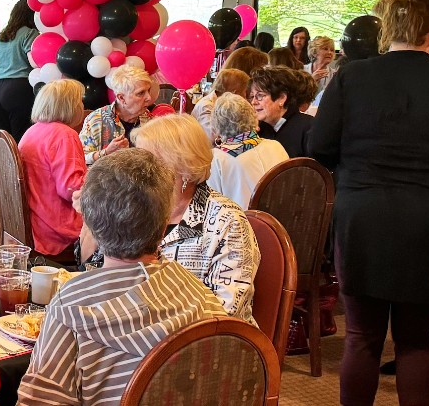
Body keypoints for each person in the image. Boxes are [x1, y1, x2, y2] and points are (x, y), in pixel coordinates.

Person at [309, 0, 429, 405]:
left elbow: (318, 145)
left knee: (361, 338)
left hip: (362, 213)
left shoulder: (352, 75)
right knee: (415, 342)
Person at [18, 149, 228, 404]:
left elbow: (38, 400)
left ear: (91, 226)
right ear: (164, 225)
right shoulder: (201, 298)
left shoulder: (70, 306)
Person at [78, 114, 259, 322]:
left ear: (185, 167)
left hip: (203, 345)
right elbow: (91, 274)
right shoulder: (134, 205)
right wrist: (92, 215)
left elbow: (226, 313)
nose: (138, 170)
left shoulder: (227, 222)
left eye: (150, 161)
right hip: (128, 332)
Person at [18, 79, 87, 256]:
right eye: (79, 101)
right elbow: (71, 189)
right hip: (57, 226)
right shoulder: (64, 135)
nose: (82, 105)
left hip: (34, 221)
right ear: (70, 106)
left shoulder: (32, 131)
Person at [208, 93, 289, 209]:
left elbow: (211, 207)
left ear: (216, 125)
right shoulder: (276, 146)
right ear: (253, 118)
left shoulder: (216, 159)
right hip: (281, 222)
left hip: (242, 224)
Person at [80, 65, 155, 165]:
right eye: (141, 93)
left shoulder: (150, 120)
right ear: (121, 98)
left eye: (148, 90)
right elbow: (81, 158)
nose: (149, 98)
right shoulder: (96, 120)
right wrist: (106, 153)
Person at [0, 0, 40, 142]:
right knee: (21, 137)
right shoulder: (30, 33)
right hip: (18, 87)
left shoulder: (3, 35)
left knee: (6, 138)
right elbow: (34, 62)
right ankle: (20, 165)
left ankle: (3, 164)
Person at [251, 66, 314, 158]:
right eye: (252, 96)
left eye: (260, 95)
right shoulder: (257, 128)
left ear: (282, 98)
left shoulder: (309, 128)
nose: (253, 102)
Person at [192, 68, 251, 141]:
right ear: (235, 94)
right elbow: (212, 138)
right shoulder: (207, 106)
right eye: (245, 93)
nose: (246, 99)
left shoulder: (222, 105)